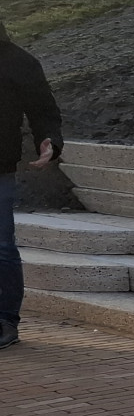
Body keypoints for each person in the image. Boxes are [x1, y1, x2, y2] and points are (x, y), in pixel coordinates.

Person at [1, 20, 63, 351]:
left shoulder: (17, 61)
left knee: (1, 247)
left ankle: (5, 320)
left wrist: (49, 140)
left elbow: (43, 110)